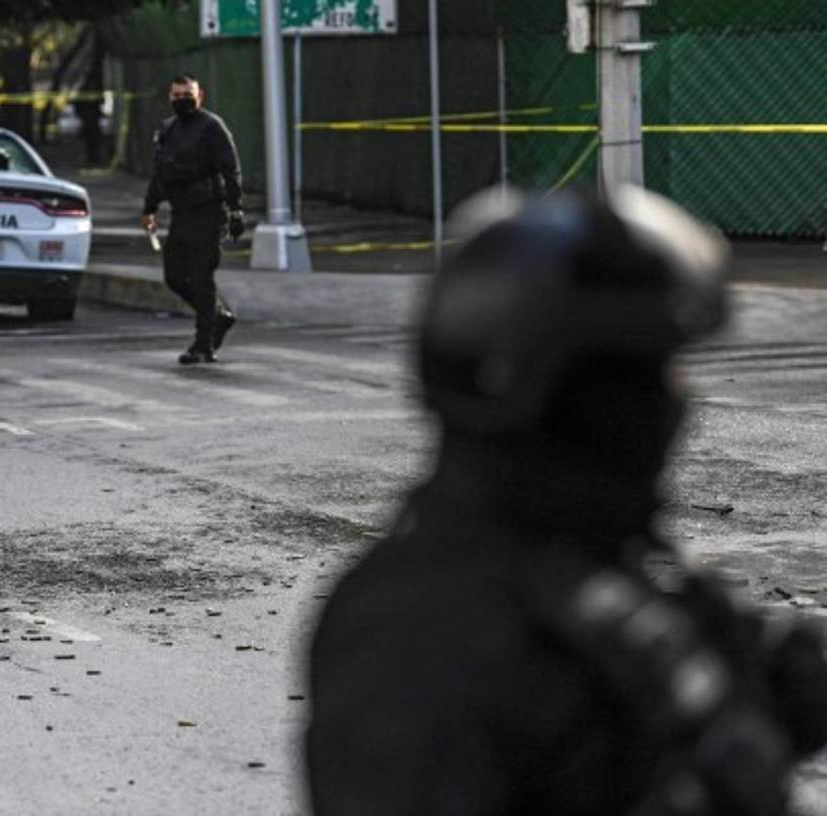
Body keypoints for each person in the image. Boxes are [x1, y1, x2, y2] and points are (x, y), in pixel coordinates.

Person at [306, 186, 827, 815]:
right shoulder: (413, 642)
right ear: (566, 389)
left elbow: (760, 672)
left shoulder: (590, 550)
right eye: (648, 374)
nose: (676, 400)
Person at [141, 74, 244, 365]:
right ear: (169, 98)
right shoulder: (167, 129)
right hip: (180, 213)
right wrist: (149, 209)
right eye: (176, 95)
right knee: (174, 277)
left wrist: (236, 210)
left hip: (208, 212)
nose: (182, 100)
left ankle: (203, 345)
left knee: (201, 278)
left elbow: (230, 169)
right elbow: (160, 174)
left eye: (188, 94)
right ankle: (218, 316)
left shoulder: (212, 127)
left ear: (200, 96)